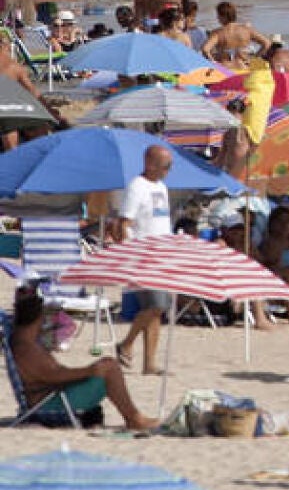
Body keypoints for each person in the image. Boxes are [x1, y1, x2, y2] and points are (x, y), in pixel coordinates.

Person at [9, 288, 156, 430]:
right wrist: (90, 370)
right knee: (109, 367)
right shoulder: (27, 349)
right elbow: (53, 376)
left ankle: (134, 417)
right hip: (49, 403)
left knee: (107, 365)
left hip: (51, 395)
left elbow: (50, 374)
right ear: (37, 319)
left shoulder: (23, 342)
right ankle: (133, 419)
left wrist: (88, 371)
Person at [111, 145, 172, 374]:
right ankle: (126, 343)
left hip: (161, 255)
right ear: (150, 163)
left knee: (156, 311)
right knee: (157, 305)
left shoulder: (162, 187)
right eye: (166, 165)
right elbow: (123, 223)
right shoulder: (137, 187)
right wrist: (130, 254)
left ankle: (149, 363)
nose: (168, 170)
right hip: (143, 255)